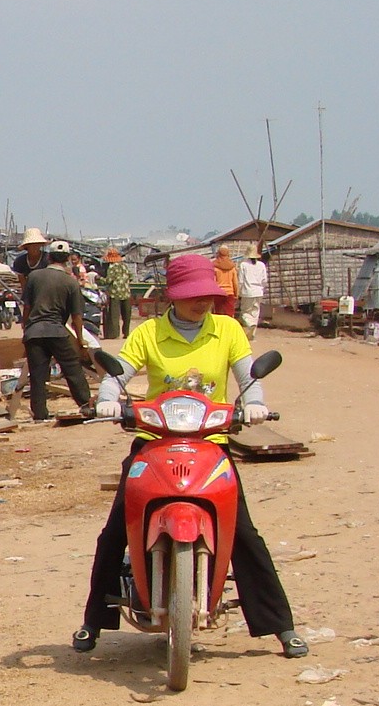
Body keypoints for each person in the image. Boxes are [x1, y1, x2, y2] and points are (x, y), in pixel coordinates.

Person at [74, 253, 307, 659]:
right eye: (193, 295)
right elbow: (118, 374)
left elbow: (249, 377)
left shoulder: (228, 330)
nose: (203, 303)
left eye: (209, 295)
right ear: (173, 296)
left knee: (244, 534)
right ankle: (94, 621)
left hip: (210, 442)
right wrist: (108, 401)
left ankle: (281, 626)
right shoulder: (149, 333)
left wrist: (253, 405)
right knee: (116, 530)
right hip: (154, 440)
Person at [19, 241, 95, 421]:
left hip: (35, 332)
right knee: (72, 369)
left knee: (38, 375)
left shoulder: (35, 277)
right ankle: (86, 406)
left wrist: (26, 329)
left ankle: (39, 414)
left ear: (49, 257)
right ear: (68, 259)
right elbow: (76, 317)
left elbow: (27, 308)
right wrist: (80, 342)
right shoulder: (71, 282)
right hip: (57, 332)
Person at [100, 247, 135, 338]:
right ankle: (126, 333)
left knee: (114, 316)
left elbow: (108, 281)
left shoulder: (112, 267)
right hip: (126, 293)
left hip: (115, 294)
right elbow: (131, 277)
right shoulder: (124, 266)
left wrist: (98, 279)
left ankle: (115, 334)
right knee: (126, 316)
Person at [236, 246, 268, 339]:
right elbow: (264, 280)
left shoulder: (243, 265)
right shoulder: (261, 265)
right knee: (255, 312)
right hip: (258, 292)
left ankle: (250, 325)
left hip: (247, 292)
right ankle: (253, 334)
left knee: (245, 312)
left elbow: (241, 280)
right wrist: (261, 288)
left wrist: (239, 292)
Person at [212, 247, 239, 318]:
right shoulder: (232, 267)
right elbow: (235, 283)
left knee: (218, 316)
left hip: (218, 293)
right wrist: (236, 294)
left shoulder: (215, 267)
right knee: (229, 315)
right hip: (230, 293)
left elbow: (213, 282)